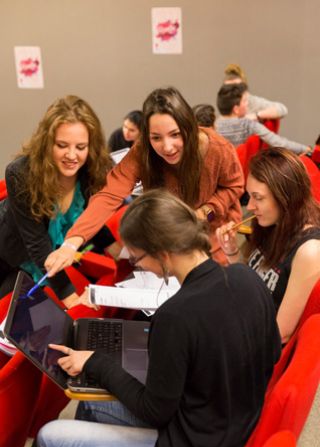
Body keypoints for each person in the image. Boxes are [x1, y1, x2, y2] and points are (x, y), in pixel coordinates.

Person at [37, 189, 281, 447]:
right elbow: (272, 354)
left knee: (49, 438)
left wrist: (95, 360)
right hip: (235, 427)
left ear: (163, 253)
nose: (138, 265)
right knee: (89, 404)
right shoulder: (247, 277)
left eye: (138, 258)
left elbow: (155, 411)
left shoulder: (176, 315)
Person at [44, 86, 245, 274]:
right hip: (169, 241)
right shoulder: (143, 152)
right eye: (156, 138)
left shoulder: (217, 149)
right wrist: (71, 243)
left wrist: (205, 211)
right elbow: (109, 195)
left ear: (189, 128)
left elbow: (234, 185)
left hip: (214, 239)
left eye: (175, 134)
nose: (167, 147)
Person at [0, 95, 113, 307]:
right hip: (10, 256)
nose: (72, 155)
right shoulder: (21, 173)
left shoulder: (91, 170)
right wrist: (73, 302)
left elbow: (90, 217)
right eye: (62, 145)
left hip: (44, 264)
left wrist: (122, 252)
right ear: (47, 142)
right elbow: (37, 244)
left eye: (81, 147)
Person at [216, 147, 320, 343]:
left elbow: (281, 333)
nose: (251, 206)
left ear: (286, 198)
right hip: (246, 324)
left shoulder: (310, 250)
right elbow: (252, 284)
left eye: (259, 198)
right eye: (250, 196)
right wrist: (232, 252)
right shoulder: (273, 225)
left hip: (261, 351)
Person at [215, 83, 309, 155]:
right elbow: (278, 143)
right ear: (236, 109)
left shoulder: (213, 126)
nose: (247, 103)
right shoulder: (247, 125)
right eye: (244, 101)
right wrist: (306, 149)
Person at [223, 63, 288, 121]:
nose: (232, 92)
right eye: (228, 88)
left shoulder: (252, 102)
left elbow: (282, 109)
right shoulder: (224, 103)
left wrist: (256, 115)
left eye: (236, 88)